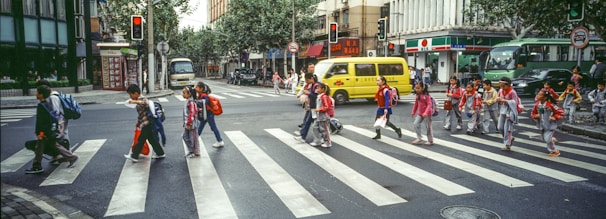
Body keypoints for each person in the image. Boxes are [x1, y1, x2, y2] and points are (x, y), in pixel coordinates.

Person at [25, 85, 78, 174]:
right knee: (46, 146)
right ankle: (37, 165)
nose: (36, 94)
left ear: (41, 95)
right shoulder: (48, 104)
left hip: (44, 132)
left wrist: (41, 133)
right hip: (48, 130)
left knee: (46, 146)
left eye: (37, 92)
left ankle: (37, 166)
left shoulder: (42, 105)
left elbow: (41, 121)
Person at [124, 84, 166, 163]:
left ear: (136, 93)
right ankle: (160, 153)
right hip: (146, 123)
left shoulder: (142, 99)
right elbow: (141, 114)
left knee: (141, 139)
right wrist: (138, 123)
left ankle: (134, 155)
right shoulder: (139, 100)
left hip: (148, 124)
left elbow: (146, 103)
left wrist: (135, 101)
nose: (130, 97)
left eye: (131, 94)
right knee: (152, 140)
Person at [36, 80, 70, 165]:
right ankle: (62, 156)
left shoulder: (53, 97)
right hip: (59, 120)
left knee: (59, 138)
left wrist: (55, 125)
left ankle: (67, 155)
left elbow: (55, 112)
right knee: (57, 139)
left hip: (59, 120)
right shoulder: (51, 97)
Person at [531, 90, 564, 157]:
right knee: (544, 138)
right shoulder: (537, 104)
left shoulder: (550, 105)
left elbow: (561, 112)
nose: (538, 95)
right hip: (542, 125)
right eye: (538, 94)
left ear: (545, 97)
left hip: (550, 125)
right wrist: (535, 116)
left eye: (540, 95)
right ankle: (552, 139)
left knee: (547, 139)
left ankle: (554, 151)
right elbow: (533, 113)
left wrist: (555, 117)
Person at [294, 66, 319, 143]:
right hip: (312, 107)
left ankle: (320, 139)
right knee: (308, 122)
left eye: (307, 80)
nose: (306, 81)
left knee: (316, 124)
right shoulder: (311, 85)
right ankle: (302, 136)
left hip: (316, 107)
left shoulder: (315, 86)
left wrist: (309, 93)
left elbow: (316, 96)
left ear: (311, 78)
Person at [195, 81, 224, 147]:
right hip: (205, 114)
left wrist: (199, 102)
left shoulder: (204, 96)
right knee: (200, 127)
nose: (195, 88)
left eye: (196, 87)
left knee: (213, 127)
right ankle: (195, 139)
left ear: (201, 89)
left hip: (209, 114)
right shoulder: (201, 95)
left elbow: (205, 102)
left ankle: (220, 141)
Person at [497, 77, 521, 151]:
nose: (500, 85)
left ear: (506, 84)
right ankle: (509, 139)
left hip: (509, 111)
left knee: (507, 128)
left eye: (502, 84)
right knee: (500, 127)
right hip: (502, 110)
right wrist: (498, 100)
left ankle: (508, 145)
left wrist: (505, 101)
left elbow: (515, 102)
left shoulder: (512, 92)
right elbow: (498, 98)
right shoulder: (501, 91)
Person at [309, 83, 333, 147]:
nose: (317, 89)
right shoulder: (320, 96)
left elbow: (327, 107)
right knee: (315, 127)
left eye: (318, 88)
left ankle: (327, 142)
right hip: (319, 116)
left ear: (323, 89)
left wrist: (319, 109)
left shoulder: (324, 97)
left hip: (324, 116)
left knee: (324, 130)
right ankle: (317, 141)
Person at [182, 86, 199, 158]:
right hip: (187, 124)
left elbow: (192, 113)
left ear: (189, 94)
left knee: (193, 138)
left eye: (184, 93)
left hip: (191, 124)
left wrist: (189, 123)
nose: (182, 94)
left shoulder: (191, 102)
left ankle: (195, 152)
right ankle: (191, 150)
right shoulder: (187, 101)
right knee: (185, 136)